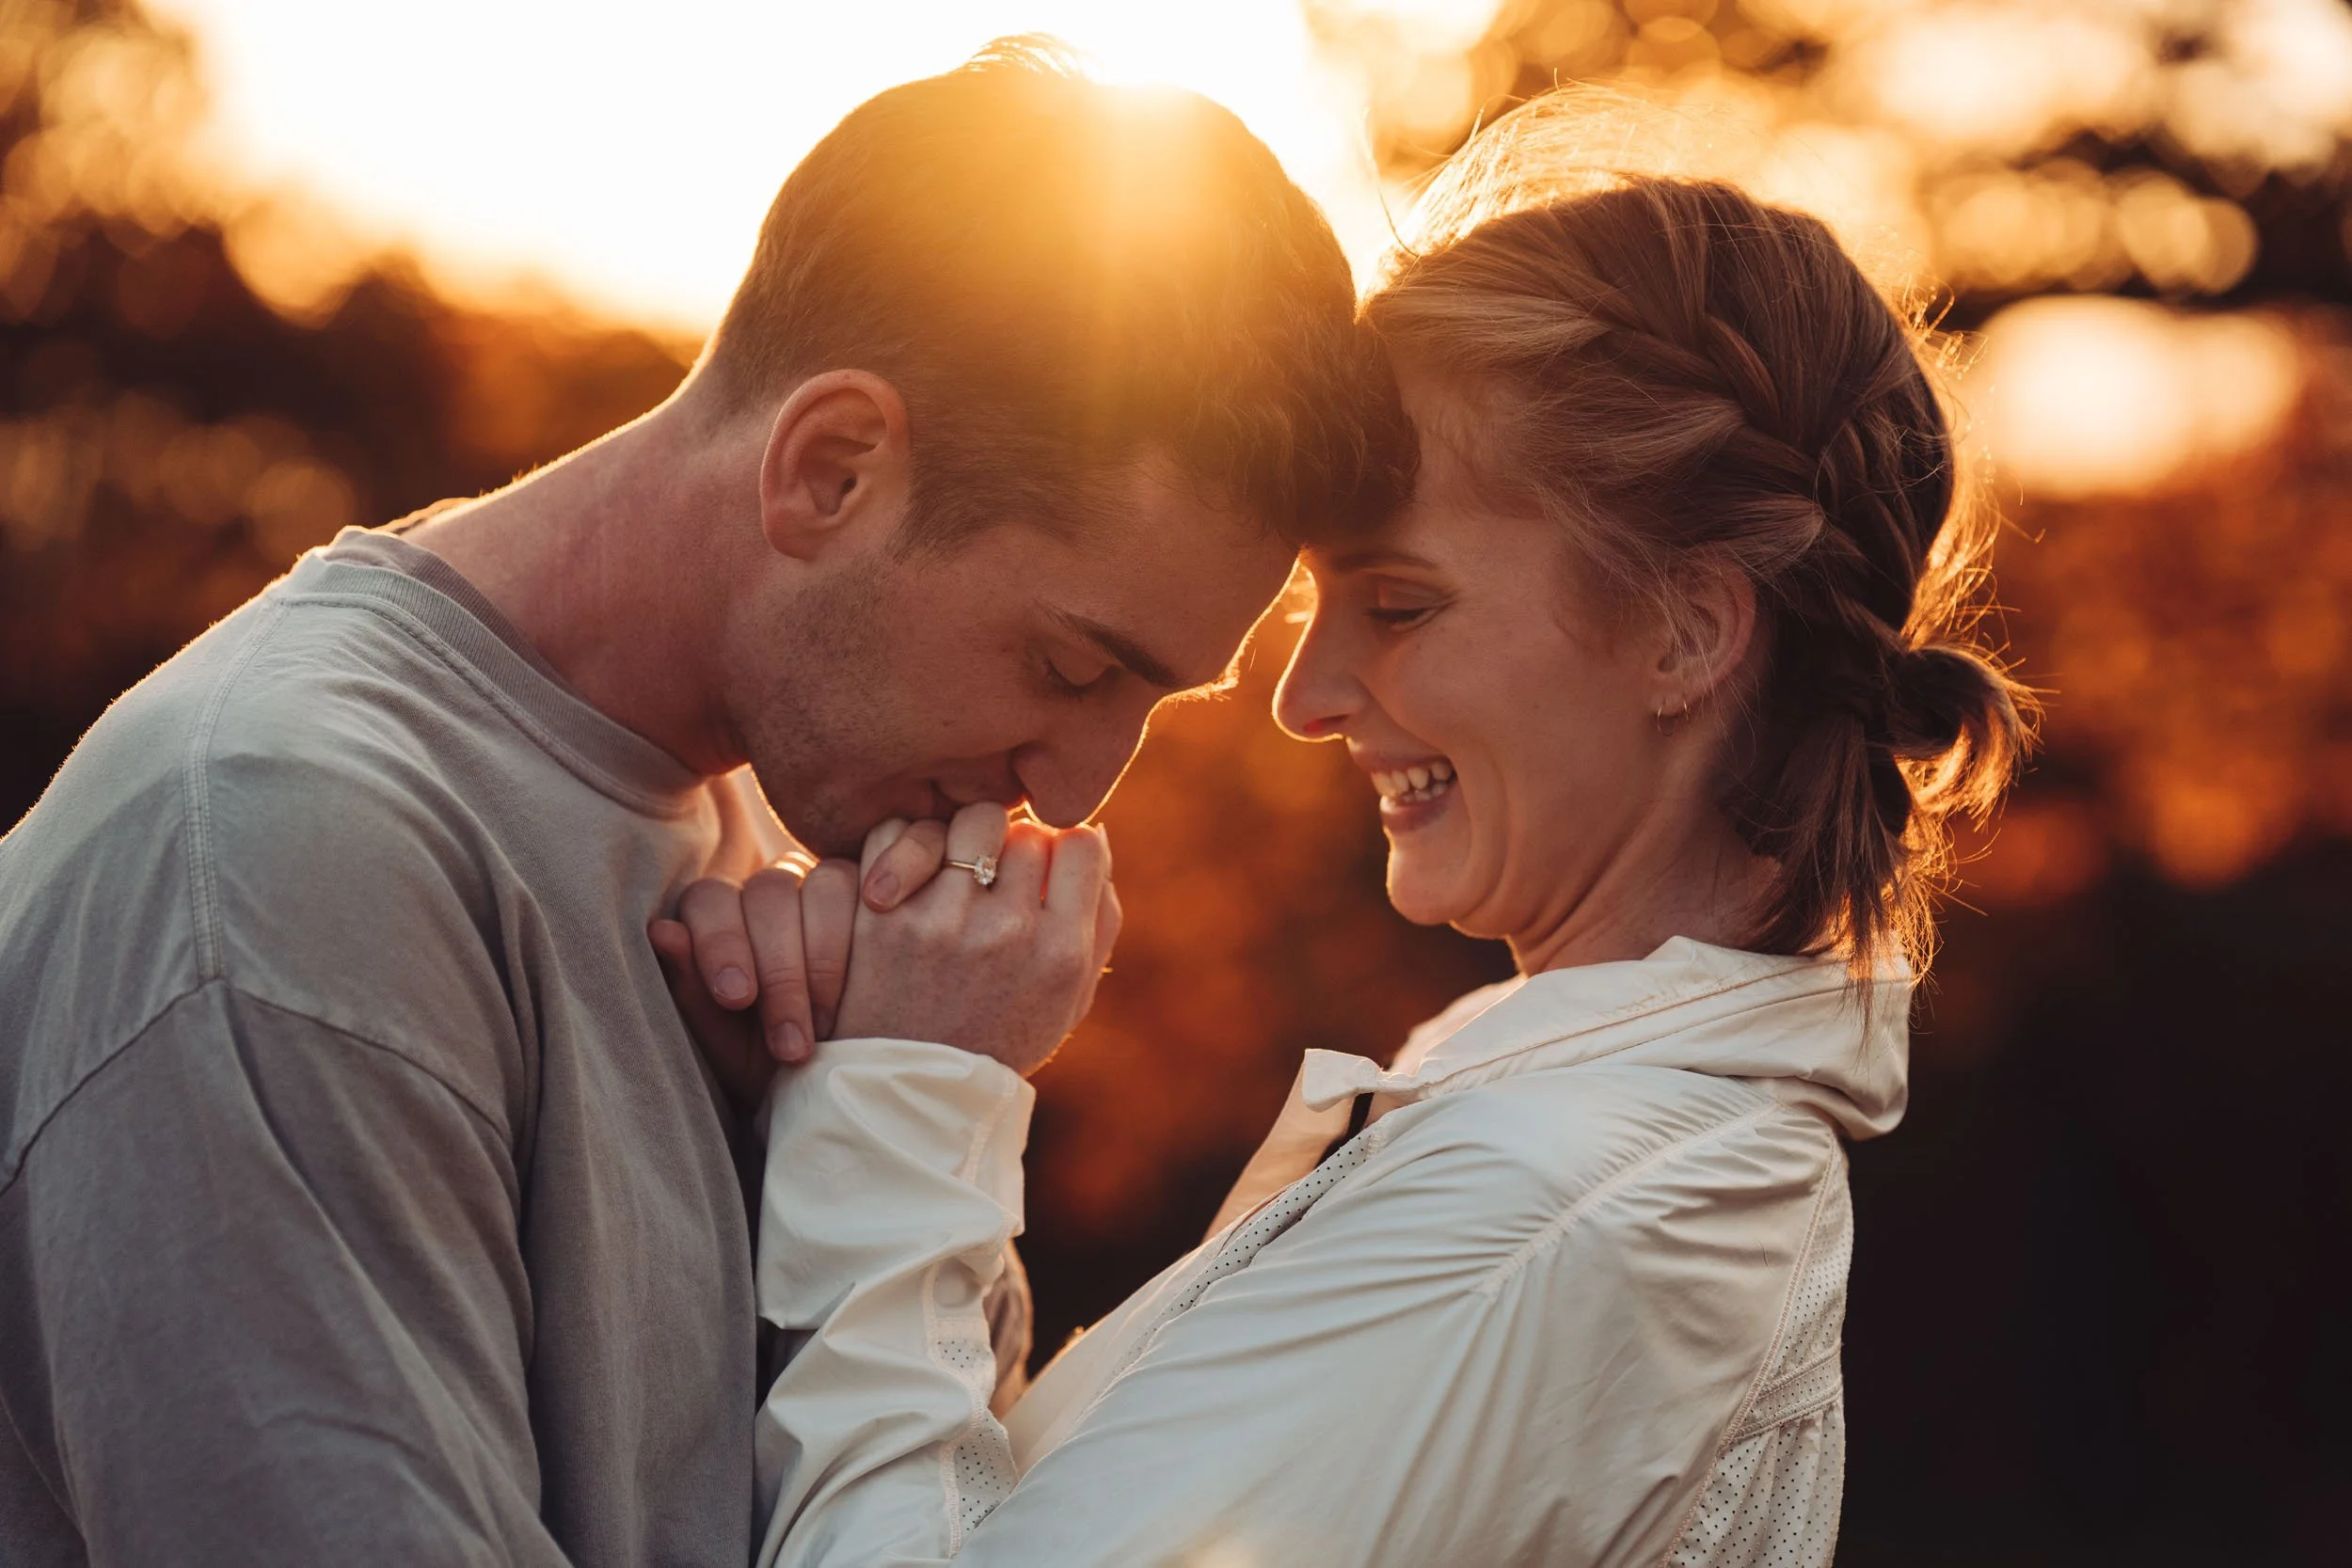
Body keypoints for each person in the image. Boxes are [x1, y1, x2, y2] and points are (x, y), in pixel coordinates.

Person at [0, 43, 1406, 1567]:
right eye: (1070, 663)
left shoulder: (775, 879)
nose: (1076, 791)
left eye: (1152, 704)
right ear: (831, 467)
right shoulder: (279, 863)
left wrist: (895, 1111)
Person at [665, 111, 2034, 1568]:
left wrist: (907, 1096)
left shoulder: (1550, 1215)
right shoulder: (1577, 1138)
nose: (1308, 700)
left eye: (1400, 603)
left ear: (1686, 630)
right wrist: (852, 1098)